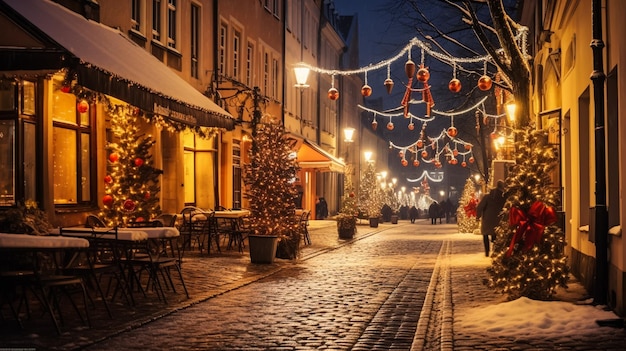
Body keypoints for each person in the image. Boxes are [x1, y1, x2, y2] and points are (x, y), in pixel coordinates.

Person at [476, 180, 506, 257]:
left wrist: (478, 216)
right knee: (495, 234)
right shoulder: (503, 197)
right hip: (498, 219)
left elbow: (480, 207)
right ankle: (495, 250)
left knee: (485, 235)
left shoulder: (487, 197)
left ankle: (487, 252)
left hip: (487, 219)